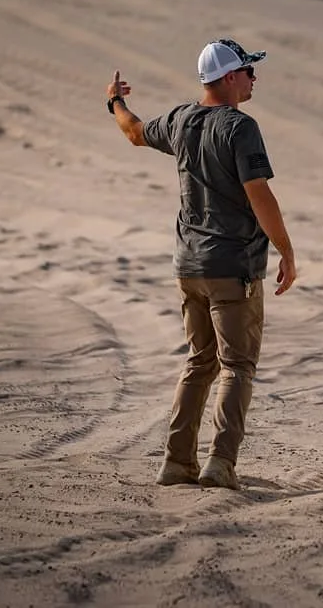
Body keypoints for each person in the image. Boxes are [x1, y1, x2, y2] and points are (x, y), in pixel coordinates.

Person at [106, 37, 297, 491]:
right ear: (229, 77)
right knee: (236, 366)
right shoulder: (240, 128)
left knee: (199, 362)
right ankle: (220, 464)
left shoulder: (178, 120)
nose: (254, 78)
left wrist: (113, 101)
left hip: (188, 266)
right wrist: (286, 250)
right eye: (249, 71)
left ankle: (176, 464)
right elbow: (260, 196)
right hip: (234, 267)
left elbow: (133, 131)